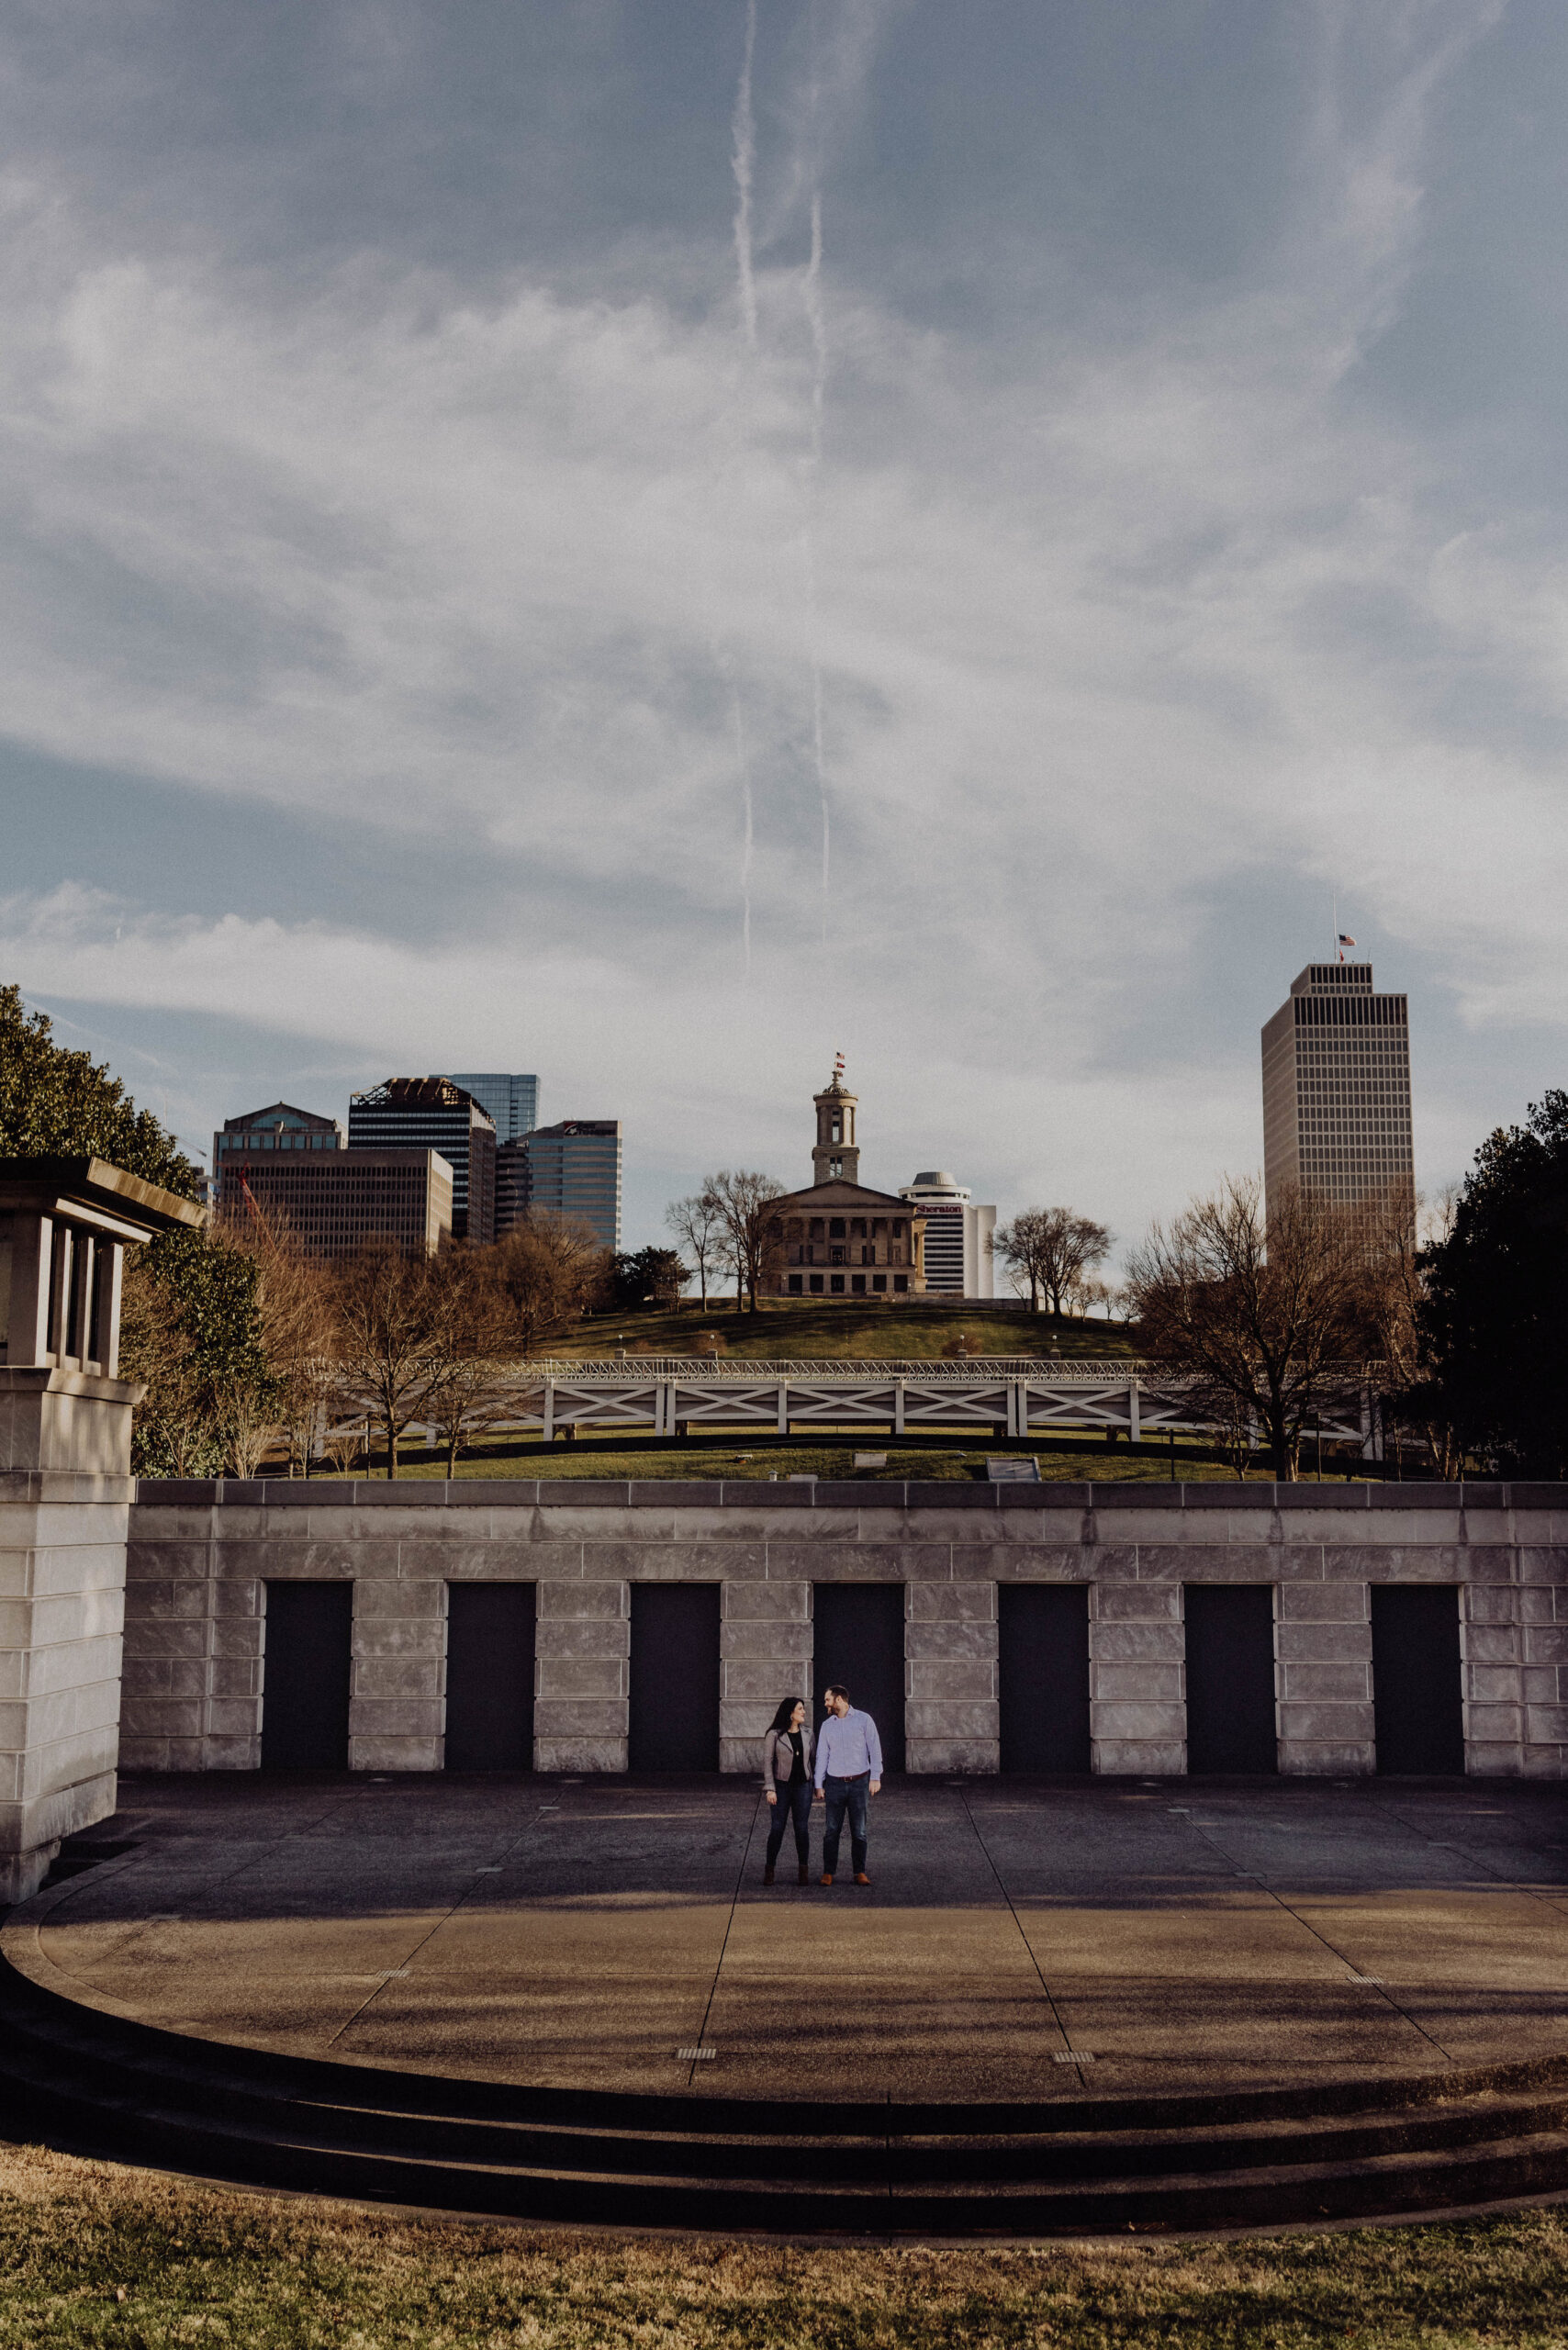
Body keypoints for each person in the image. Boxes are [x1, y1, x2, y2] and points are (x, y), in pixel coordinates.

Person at [813, 1684, 882, 1886]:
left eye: (828, 1699)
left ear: (839, 1700)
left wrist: (875, 1777)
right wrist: (819, 1784)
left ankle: (859, 1872)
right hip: (834, 1783)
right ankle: (828, 1872)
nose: (825, 1703)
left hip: (859, 1783)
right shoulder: (827, 1725)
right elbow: (822, 1756)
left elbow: (875, 1749)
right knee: (831, 1830)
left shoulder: (864, 1720)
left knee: (859, 1831)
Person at [760, 1695, 814, 1885]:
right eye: (800, 1709)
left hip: (803, 1787)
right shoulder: (774, 1735)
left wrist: (816, 1784)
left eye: (803, 1709)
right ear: (790, 1713)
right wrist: (770, 1789)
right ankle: (769, 1870)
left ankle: (803, 1871)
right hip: (781, 1787)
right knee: (777, 1828)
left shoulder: (808, 1733)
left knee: (802, 1828)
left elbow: (812, 1760)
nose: (803, 1712)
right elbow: (768, 1763)